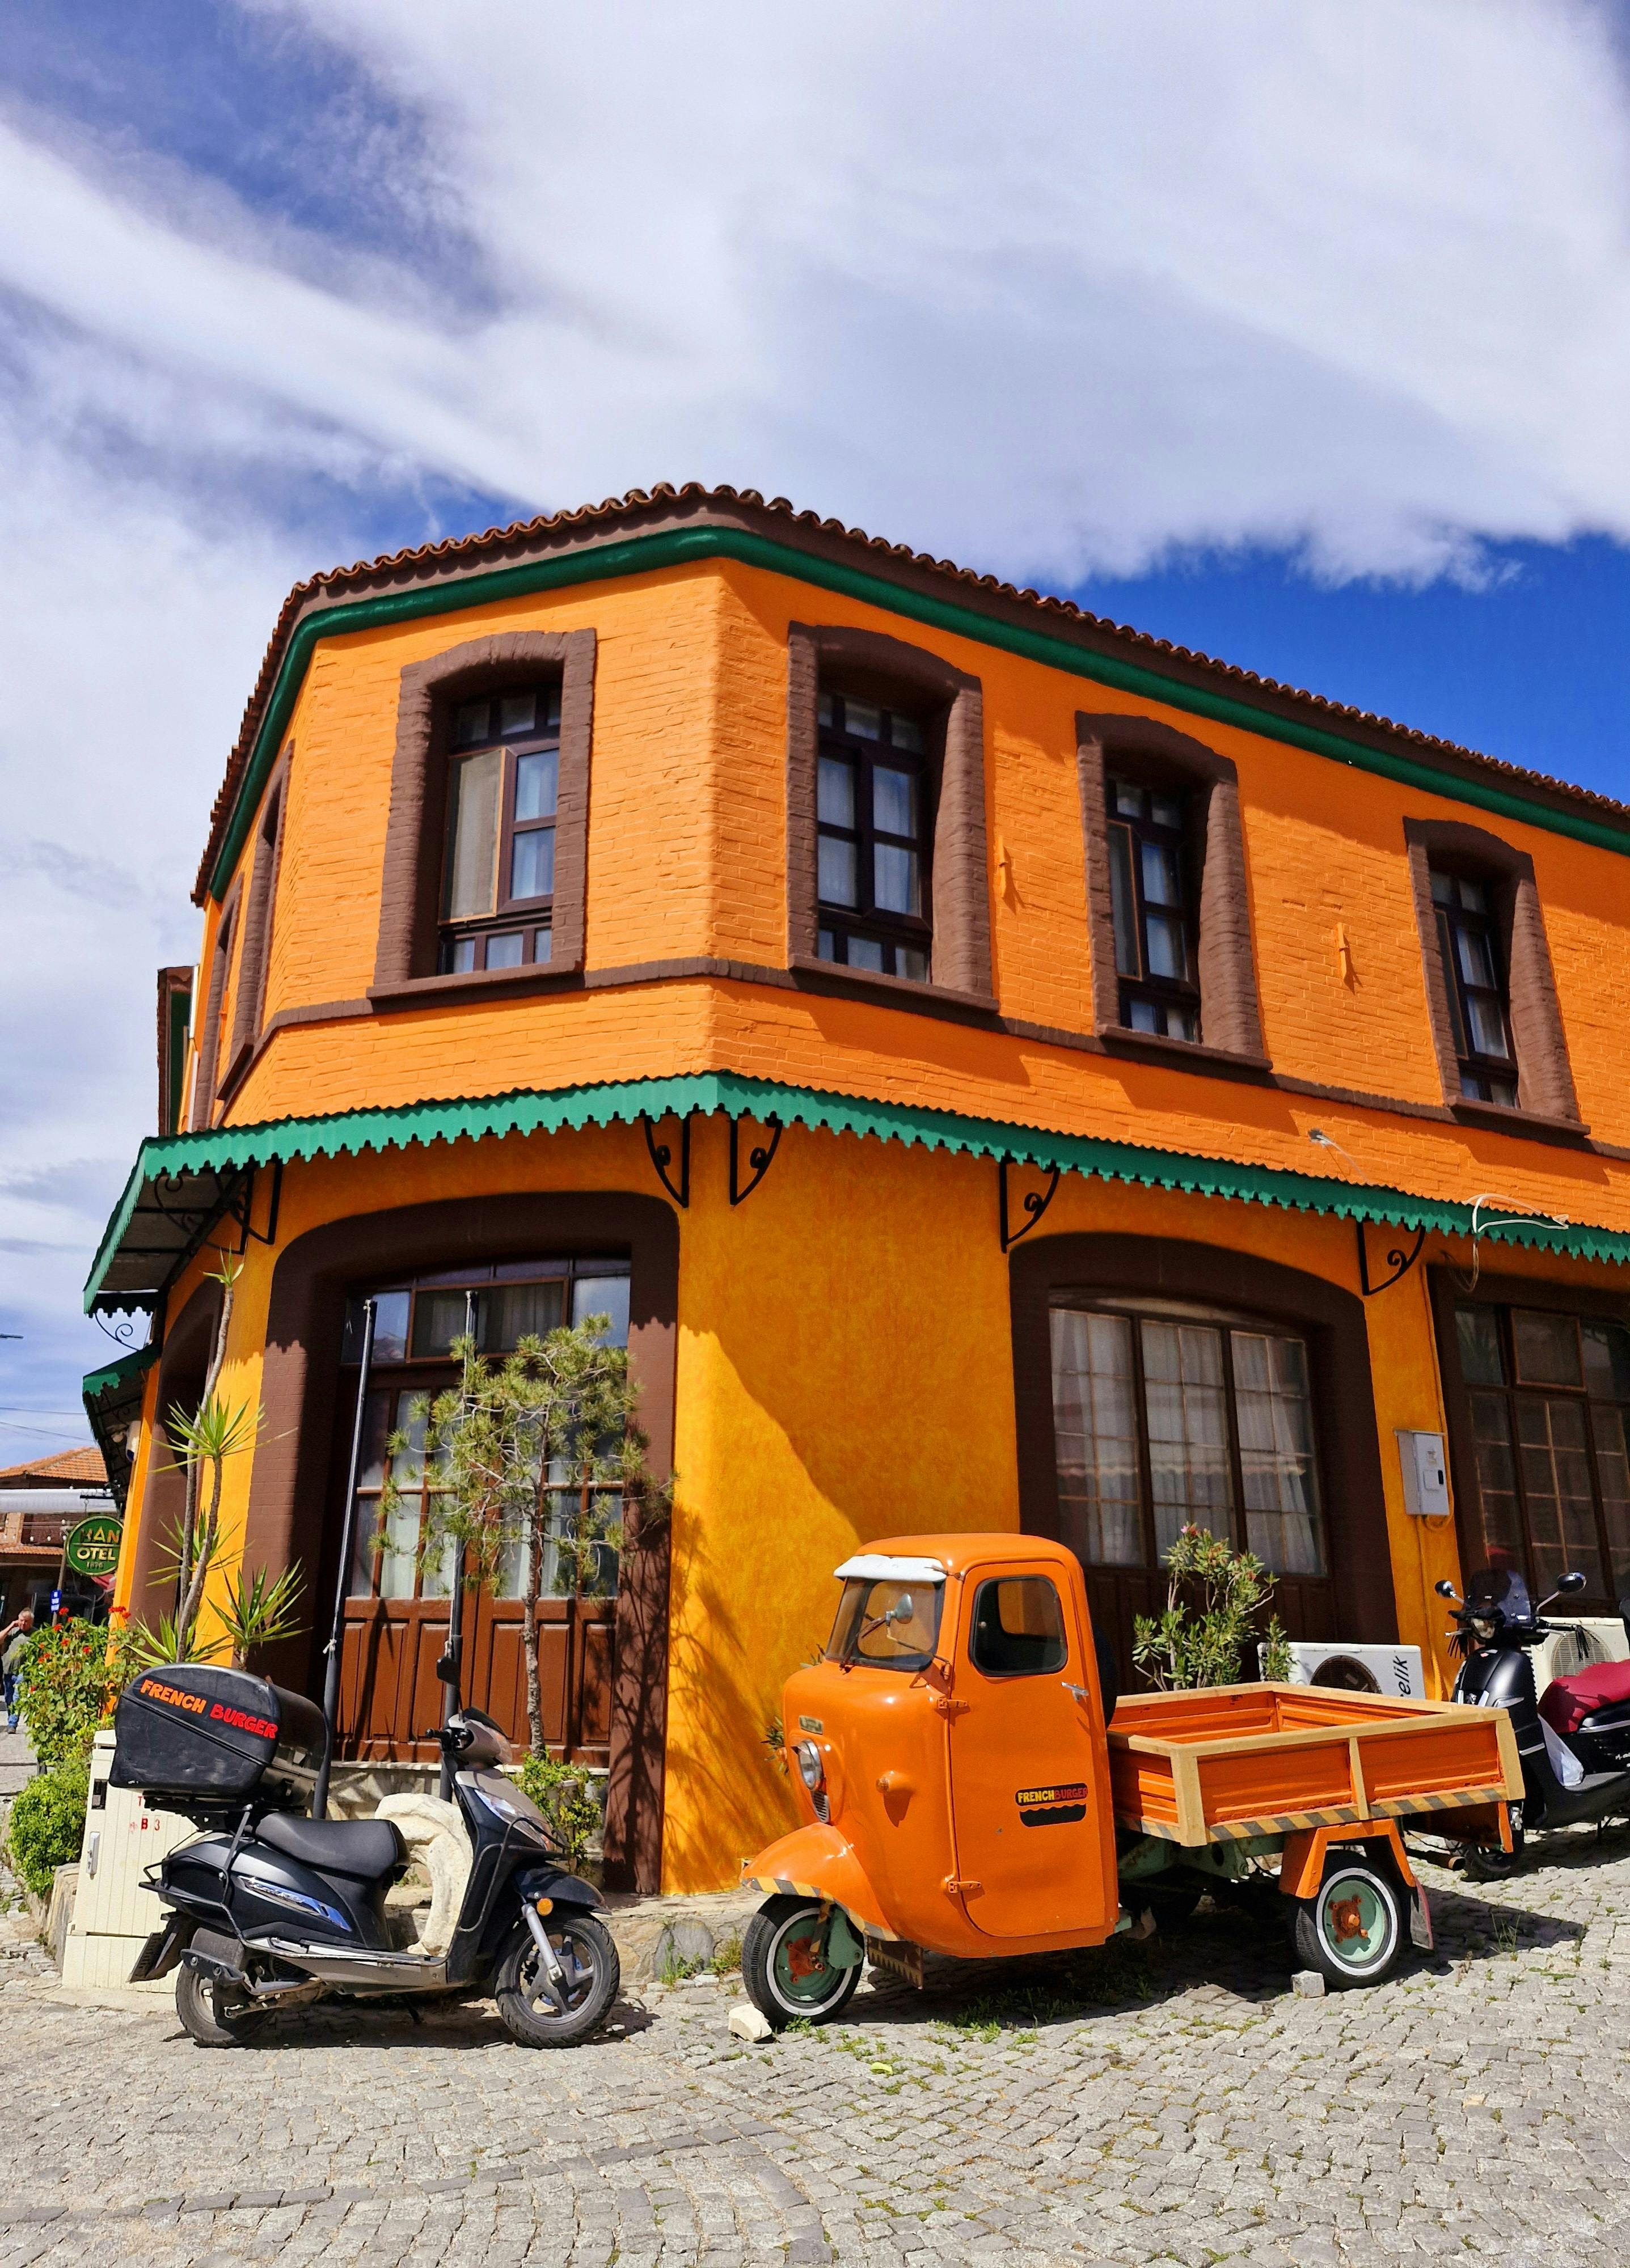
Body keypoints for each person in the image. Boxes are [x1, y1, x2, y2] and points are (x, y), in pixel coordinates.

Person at [1, 1609, 35, 1733]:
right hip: (8, 1669)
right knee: (8, 1698)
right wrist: (11, 1626)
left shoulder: (36, 1634)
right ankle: (11, 1719)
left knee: (17, 1697)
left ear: (31, 1622)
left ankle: (13, 1724)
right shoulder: (13, 1631)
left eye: (26, 1621)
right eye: (21, 1620)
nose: (23, 1624)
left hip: (23, 1671)